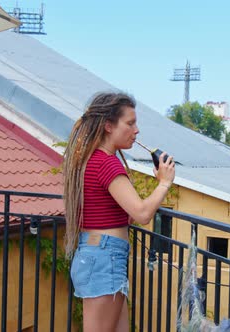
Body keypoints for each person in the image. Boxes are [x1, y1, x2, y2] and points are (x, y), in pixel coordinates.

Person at [62, 92, 175, 331]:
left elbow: (127, 213)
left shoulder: (93, 159)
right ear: (108, 126)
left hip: (100, 255)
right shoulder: (107, 163)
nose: (136, 130)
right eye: (130, 123)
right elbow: (143, 215)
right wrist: (164, 183)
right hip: (105, 258)